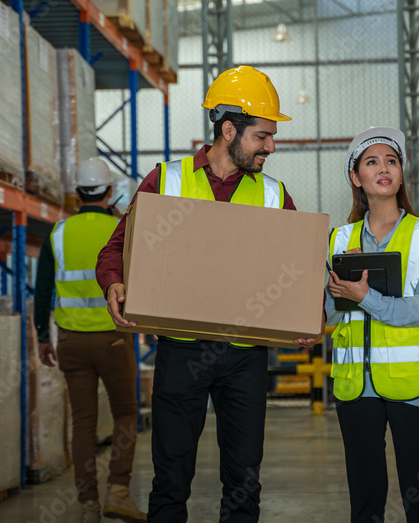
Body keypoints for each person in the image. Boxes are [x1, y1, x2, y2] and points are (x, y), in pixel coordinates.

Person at [95, 66, 322, 523]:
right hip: (181, 350)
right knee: (171, 476)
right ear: (228, 130)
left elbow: (299, 268)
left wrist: (309, 314)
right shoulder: (167, 180)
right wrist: (114, 280)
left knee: (243, 479)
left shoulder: (275, 195)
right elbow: (118, 245)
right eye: (263, 136)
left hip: (245, 356)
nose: (271, 147)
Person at [325, 127, 419, 523]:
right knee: (365, 496)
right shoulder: (338, 240)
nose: (383, 169)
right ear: (356, 177)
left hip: (414, 386)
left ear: (400, 174)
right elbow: (328, 310)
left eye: (391, 161)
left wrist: (366, 298)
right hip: (355, 385)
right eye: (371, 162)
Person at [34, 157, 146, 523]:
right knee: (125, 414)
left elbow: (42, 291)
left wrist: (41, 337)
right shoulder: (120, 230)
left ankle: (88, 504)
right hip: (114, 337)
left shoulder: (58, 233)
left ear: (77, 192)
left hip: (70, 341)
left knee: (83, 421)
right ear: (110, 191)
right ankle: (118, 491)